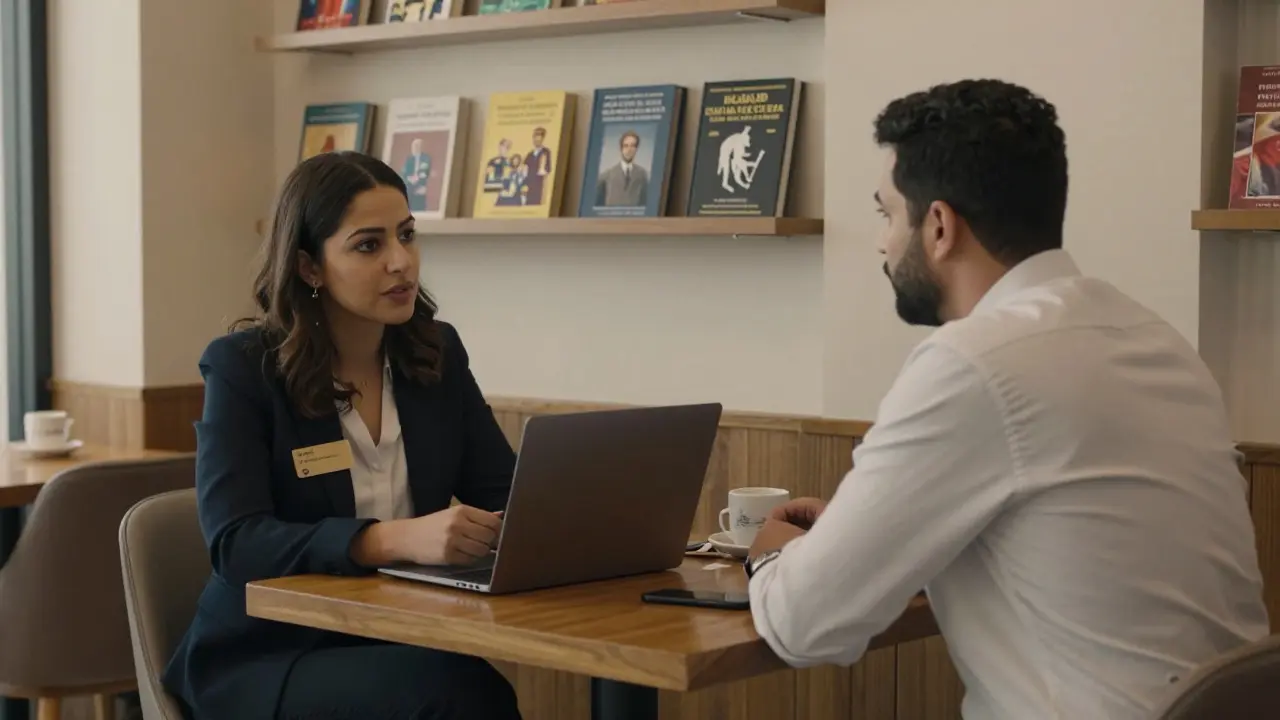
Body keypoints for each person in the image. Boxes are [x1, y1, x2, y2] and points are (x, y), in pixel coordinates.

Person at [744, 79, 1270, 719]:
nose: (882, 243)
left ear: (939, 226)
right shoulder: (1155, 340)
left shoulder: (974, 363)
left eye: (888, 215)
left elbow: (805, 623)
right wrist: (862, 531)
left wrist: (771, 552)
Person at [161, 151, 523, 720]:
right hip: (265, 656)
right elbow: (238, 543)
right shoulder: (244, 370)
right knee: (457, 692)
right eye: (368, 245)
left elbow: (506, 493)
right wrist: (391, 539)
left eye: (406, 235)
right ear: (309, 267)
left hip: (394, 637)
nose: (401, 262)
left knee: (459, 683)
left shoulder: (437, 355)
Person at [594, 130, 649, 207]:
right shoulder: (607, 175)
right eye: (626, 146)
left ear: (636, 149)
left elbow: (645, 202)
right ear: (621, 149)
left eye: (632, 146)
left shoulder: (642, 174)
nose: (629, 149)